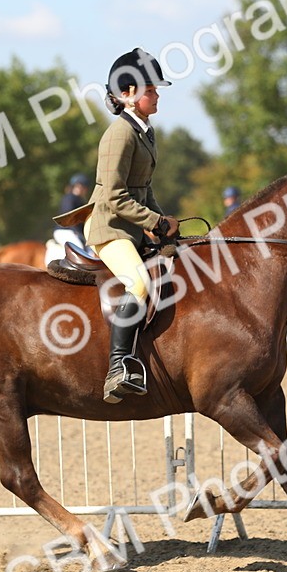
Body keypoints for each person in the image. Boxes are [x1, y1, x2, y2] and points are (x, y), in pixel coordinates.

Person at [82, 47, 180, 403]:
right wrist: (154, 221)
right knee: (139, 282)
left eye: (155, 90)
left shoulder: (144, 131)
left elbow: (143, 187)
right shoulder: (119, 134)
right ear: (127, 94)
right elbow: (114, 196)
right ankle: (119, 366)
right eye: (150, 90)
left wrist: (164, 222)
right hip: (108, 226)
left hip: (131, 225)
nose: (156, 96)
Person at [53, 173, 90, 250]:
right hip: (65, 231)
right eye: (81, 186)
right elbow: (68, 216)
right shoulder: (69, 198)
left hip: (73, 231)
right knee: (78, 248)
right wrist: (76, 231)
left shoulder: (80, 201)